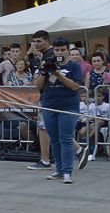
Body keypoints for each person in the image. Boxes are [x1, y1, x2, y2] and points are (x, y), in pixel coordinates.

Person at [35, 36, 83, 183]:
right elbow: (38, 86)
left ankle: (68, 172)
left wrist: (57, 74)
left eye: (63, 50)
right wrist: (44, 72)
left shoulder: (74, 66)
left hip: (68, 106)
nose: (59, 53)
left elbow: (75, 86)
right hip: (49, 105)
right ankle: (59, 170)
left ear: (68, 51)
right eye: (57, 50)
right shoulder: (47, 63)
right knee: (54, 140)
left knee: (66, 139)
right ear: (53, 50)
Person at [25, 30, 55, 171]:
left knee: (44, 128)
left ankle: (45, 160)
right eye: (34, 41)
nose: (36, 44)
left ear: (47, 41)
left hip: (49, 96)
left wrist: (35, 83)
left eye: (39, 41)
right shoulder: (44, 55)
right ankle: (79, 150)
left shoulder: (49, 55)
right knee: (51, 127)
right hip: (47, 96)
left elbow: (41, 82)